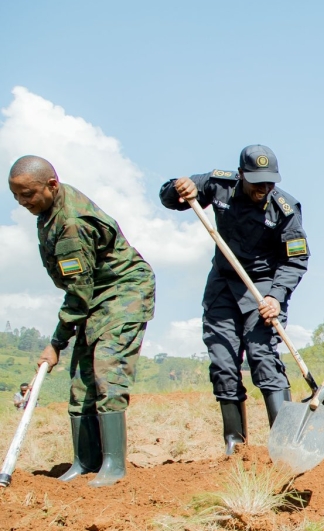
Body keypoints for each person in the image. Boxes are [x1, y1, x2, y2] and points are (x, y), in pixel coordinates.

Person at [10, 156, 155, 486]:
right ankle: (84, 461)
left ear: (52, 185)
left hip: (123, 290)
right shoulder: (49, 209)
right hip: (94, 293)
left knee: (107, 372)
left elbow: (78, 295)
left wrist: (55, 344)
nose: (22, 202)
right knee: (81, 380)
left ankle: (113, 466)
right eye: (15, 196)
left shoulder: (72, 225)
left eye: (27, 194)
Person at [160, 146, 307, 454]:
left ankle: (285, 444)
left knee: (262, 354)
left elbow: (295, 260)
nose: (264, 189)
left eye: (270, 182)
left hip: (264, 285)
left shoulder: (285, 208)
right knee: (223, 360)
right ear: (241, 175)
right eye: (257, 183)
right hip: (224, 286)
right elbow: (171, 197)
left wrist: (276, 297)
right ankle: (235, 445)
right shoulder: (218, 184)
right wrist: (178, 187)